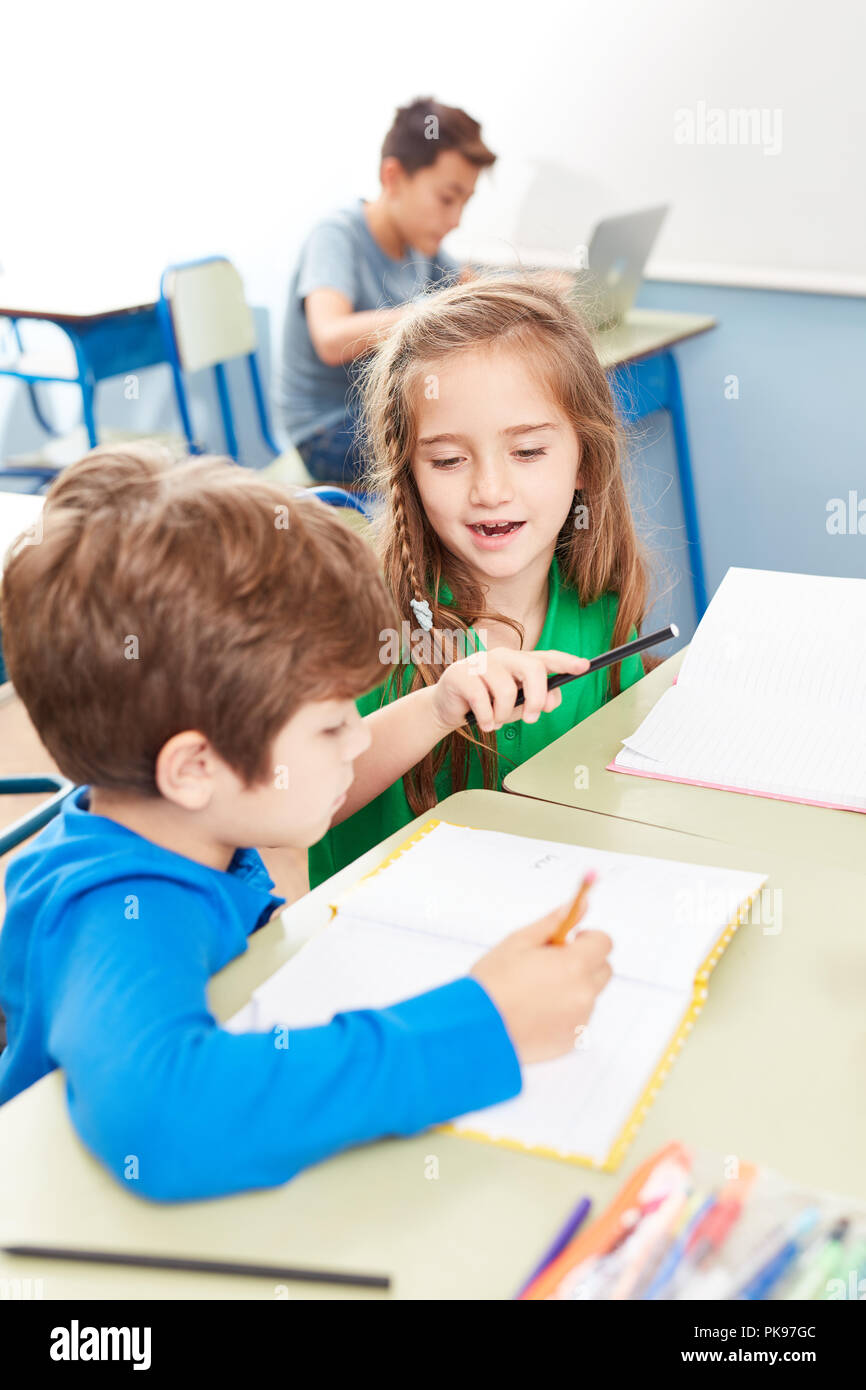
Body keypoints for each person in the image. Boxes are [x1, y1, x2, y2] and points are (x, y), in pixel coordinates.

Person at [0, 446, 612, 1201]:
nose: (355, 739)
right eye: (331, 729)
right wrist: (483, 1026)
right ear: (193, 768)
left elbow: (314, 785)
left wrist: (438, 704)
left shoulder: (183, 821)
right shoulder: (116, 911)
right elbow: (168, 1121)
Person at [309, 273, 650, 890]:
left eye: (527, 452)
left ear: (585, 459)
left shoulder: (599, 602)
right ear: (408, 472)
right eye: (446, 460)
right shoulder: (364, 627)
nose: (490, 491)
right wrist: (436, 709)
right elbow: (302, 806)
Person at [280, 97, 495, 486]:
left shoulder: (420, 244)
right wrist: (429, 312)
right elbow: (330, 338)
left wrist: (534, 291)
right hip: (328, 431)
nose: (455, 219)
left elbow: (473, 291)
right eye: (447, 198)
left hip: (383, 412)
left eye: (465, 202)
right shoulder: (336, 235)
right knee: (470, 434)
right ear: (393, 177)